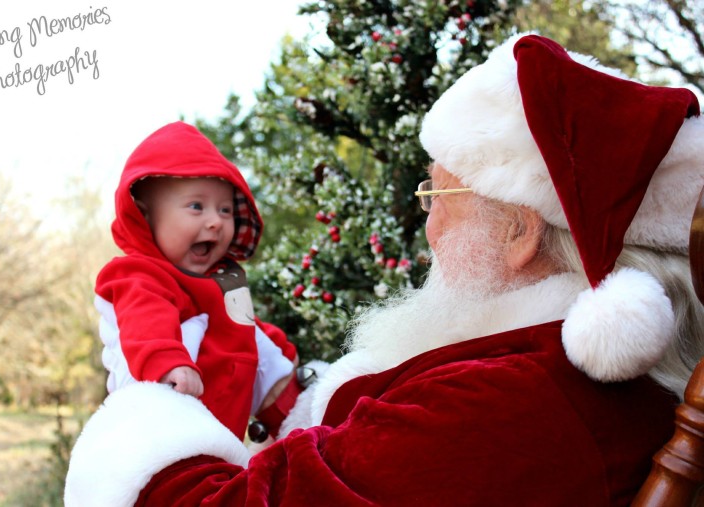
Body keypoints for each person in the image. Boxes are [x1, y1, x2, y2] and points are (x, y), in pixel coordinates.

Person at [65, 34, 704, 506]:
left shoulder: (510, 404)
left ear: (520, 232)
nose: (426, 227)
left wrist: (135, 422)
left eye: (437, 197)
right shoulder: (548, 379)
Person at [93, 121, 300, 442]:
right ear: (147, 218)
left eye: (226, 209)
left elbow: (246, 329)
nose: (215, 221)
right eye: (196, 206)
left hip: (221, 444)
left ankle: (303, 420)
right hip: (162, 440)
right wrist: (168, 363)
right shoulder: (139, 274)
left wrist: (282, 351)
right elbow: (145, 319)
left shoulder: (220, 283)